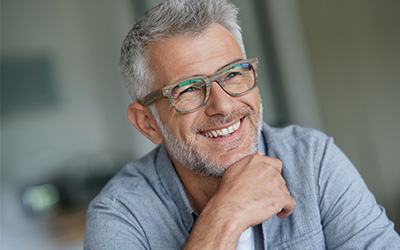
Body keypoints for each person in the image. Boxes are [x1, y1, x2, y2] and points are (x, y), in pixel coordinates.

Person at [84, 0, 400, 249]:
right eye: (189, 89)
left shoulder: (312, 159)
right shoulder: (121, 214)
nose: (222, 105)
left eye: (233, 74)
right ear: (147, 123)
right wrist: (226, 214)